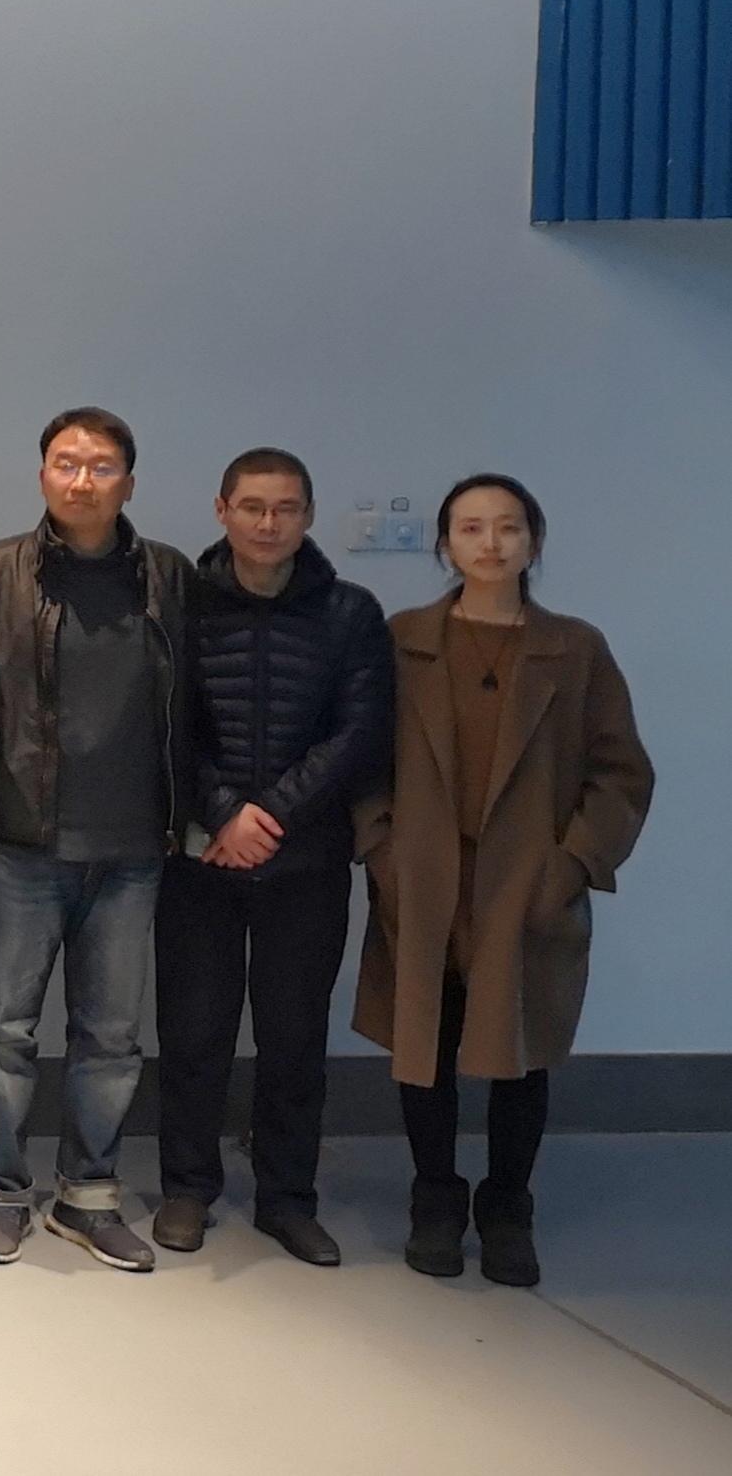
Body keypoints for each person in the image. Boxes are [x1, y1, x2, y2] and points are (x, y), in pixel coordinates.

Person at [356, 475, 650, 1288]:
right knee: (425, 1044)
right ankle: (435, 1199)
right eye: (471, 528)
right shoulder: (403, 640)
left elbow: (621, 772)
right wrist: (380, 849)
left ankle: (509, 1205)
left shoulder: (575, 648)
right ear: (445, 544)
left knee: (522, 1049)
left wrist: (572, 863)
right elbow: (362, 756)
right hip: (425, 878)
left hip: (527, 884)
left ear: (534, 541)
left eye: (509, 527)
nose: (490, 543)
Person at [0, 407, 195, 1272]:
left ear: (128, 481)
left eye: (100, 466)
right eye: (66, 463)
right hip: (24, 843)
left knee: (112, 1036)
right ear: (42, 474)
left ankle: (88, 1196)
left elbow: (194, 708)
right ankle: (0, 1193)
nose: (81, 480)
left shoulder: (168, 575)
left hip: (134, 848)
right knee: (5, 1030)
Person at [151, 448, 391, 1266]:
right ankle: (188, 1188)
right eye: (252, 506)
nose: (268, 523)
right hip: (201, 858)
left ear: (309, 516)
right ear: (222, 510)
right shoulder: (181, 607)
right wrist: (224, 811)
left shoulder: (350, 611)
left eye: (286, 508)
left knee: (294, 1040)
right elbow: (166, 725)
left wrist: (273, 814)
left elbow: (360, 732)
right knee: (194, 1033)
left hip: (306, 861)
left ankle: (288, 1199)